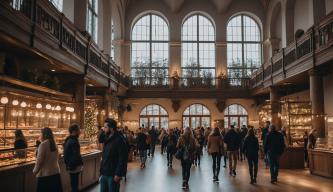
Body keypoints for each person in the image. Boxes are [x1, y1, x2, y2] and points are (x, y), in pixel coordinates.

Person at [100, 118, 128, 192]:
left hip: (113, 175)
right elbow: (100, 139)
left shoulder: (119, 139)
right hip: (104, 173)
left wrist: (118, 174)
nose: (104, 129)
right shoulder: (107, 137)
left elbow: (123, 158)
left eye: (105, 127)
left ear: (111, 129)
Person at [33, 127, 63, 192]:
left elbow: (40, 161)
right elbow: (58, 156)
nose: (40, 135)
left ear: (43, 134)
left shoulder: (43, 144)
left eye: (40, 133)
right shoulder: (54, 144)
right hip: (55, 173)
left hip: (46, 175)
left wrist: (35, 171)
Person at [63, 124, 83, 192]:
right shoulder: (74, 141)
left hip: (71, 166)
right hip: (74, 167)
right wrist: (71, 165)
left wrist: (68, 164)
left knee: (73, 184)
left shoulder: (68, 139)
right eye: (79, 130)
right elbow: (75, 155)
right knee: (75, 186)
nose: (80, 131)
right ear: (74, 131)